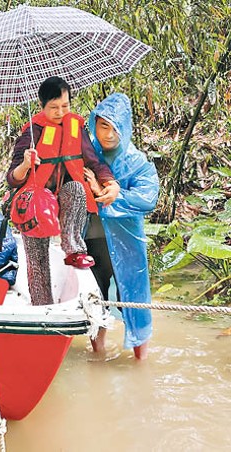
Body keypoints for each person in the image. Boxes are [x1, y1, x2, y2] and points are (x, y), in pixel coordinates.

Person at [6, 76, 120, 306]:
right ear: (41, 106)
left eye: (65, 106)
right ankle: (43, 309)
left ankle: (74, 249)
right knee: (38, 263)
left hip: (65, 200)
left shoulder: (75, 128)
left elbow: (94, 161)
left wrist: (110, 182)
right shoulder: (32, 132)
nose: (60, 112)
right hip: (35, 205)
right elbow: (12, 177)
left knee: (77, 188)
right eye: (54, 108)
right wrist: (26, 164)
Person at [84, 92, 160, 359]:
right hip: (91, 237)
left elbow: (148, 198)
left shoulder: (136, 162)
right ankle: (98, 356)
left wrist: (114, 194)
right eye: (103, 125)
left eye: (115, 127)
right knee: (95, 297)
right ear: (95, 124)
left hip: (126, 242)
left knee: (135, 299)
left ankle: (141, 362)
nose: (109, 133)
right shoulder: (86, 153)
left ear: (125, 127)